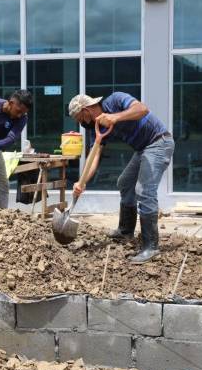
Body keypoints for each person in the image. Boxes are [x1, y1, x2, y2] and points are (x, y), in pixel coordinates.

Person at [68, 92, 174, 264]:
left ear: (86, 110)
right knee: (125, 182)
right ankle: (125, 230)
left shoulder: (116, 100)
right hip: (142, 149)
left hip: (159, 142)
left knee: (144, 191)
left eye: (81, 119)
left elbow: (142, 109)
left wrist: (114, 117)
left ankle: (151, 246)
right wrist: (82, 182)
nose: (81, 123)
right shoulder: (95, 128)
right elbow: (94, 157)